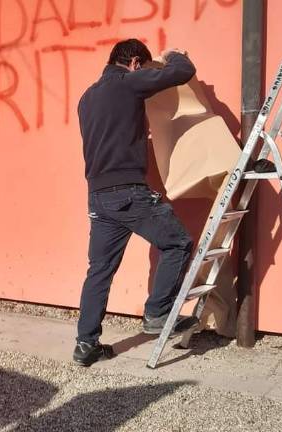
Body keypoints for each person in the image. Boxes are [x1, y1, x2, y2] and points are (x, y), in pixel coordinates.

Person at [74, 39, 197, 366]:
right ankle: (157, 314)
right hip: (128, 192)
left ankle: (86, 344)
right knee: (178, 242)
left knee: (99, 270)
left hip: (98, 196)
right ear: (135, 63)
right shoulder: (128, 82)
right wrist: (171, 54)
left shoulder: (86, 98)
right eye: (145, 68)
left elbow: (112, 133)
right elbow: (183, 71)